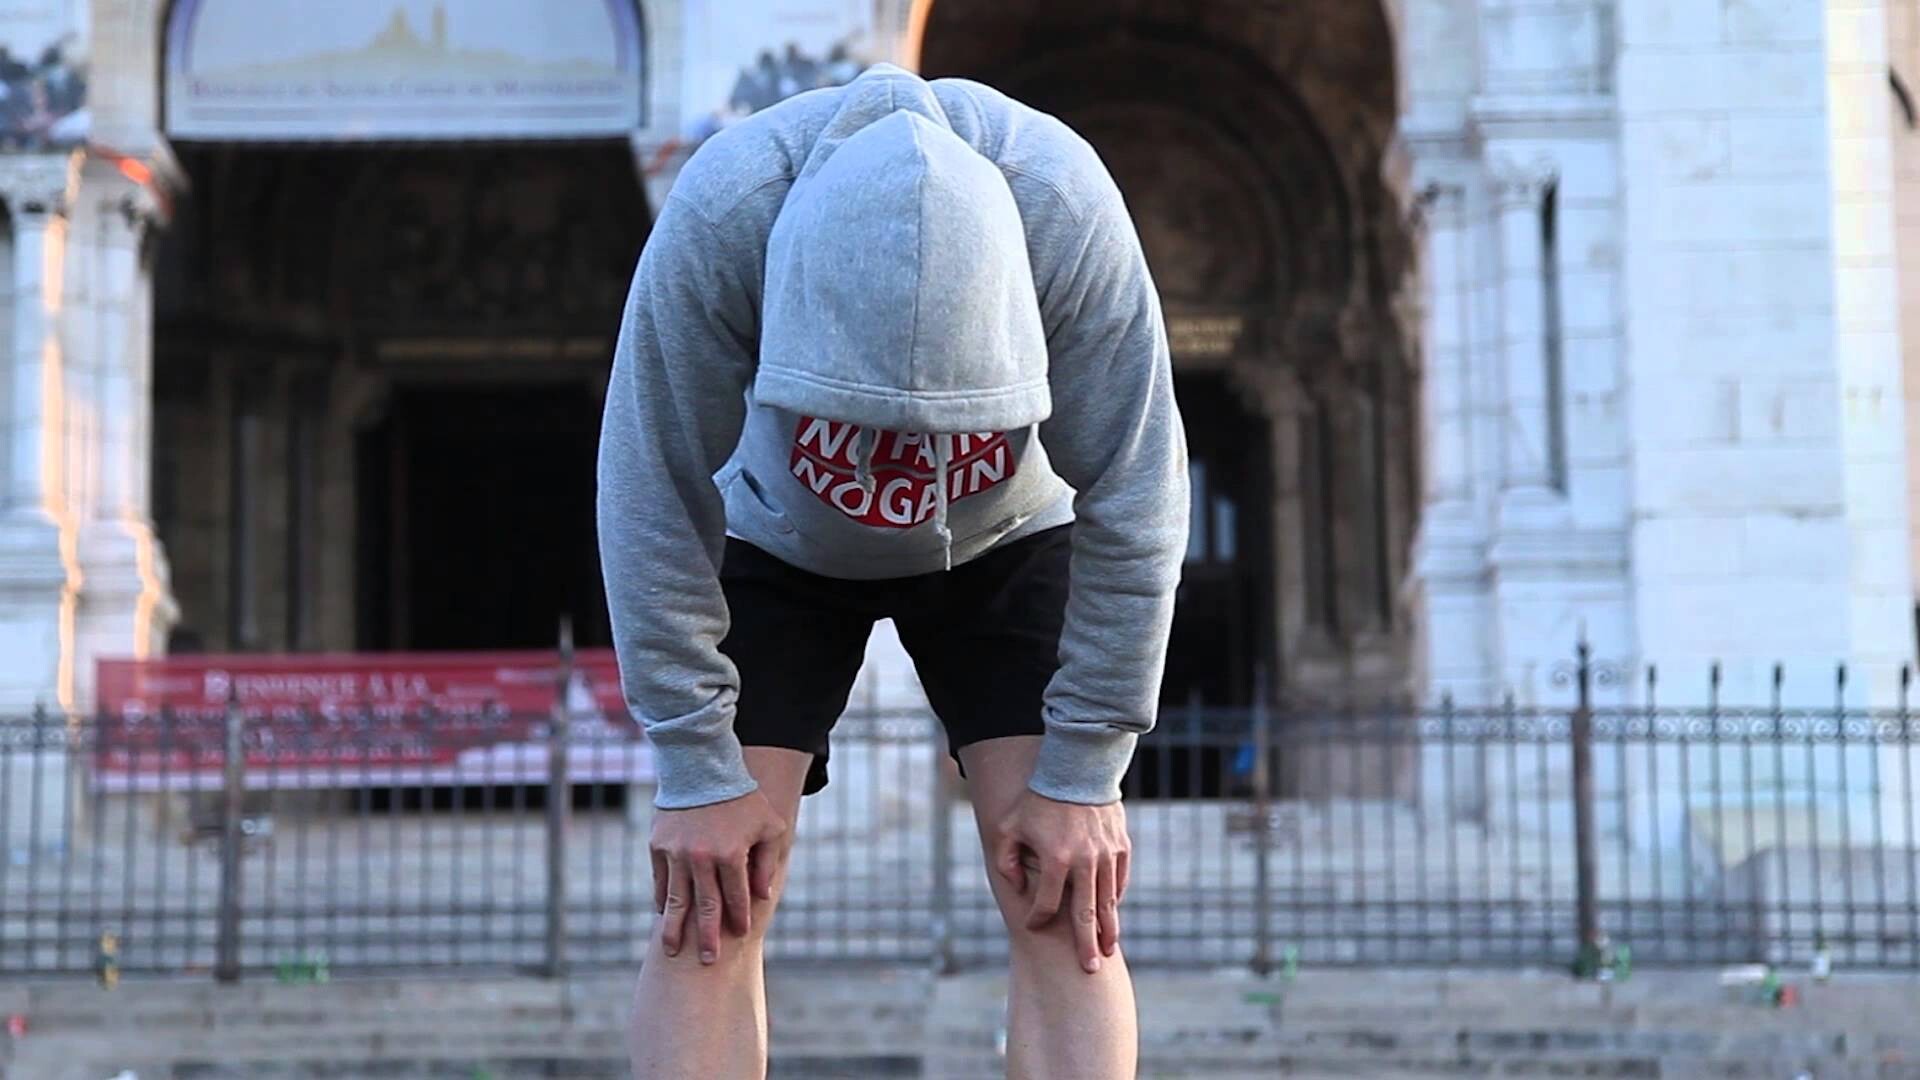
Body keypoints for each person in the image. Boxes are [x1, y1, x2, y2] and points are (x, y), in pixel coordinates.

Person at [597, 62, 1188, 1079]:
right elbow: (650, 486)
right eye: (866, 423)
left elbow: (1139, 495)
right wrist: (696, 772)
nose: (899, 481)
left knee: (1061, 893)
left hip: (1007, 532)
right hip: (776, 534)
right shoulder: (724, 217)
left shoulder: (1065, 213)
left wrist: (1086, 775)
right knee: (713, 899)